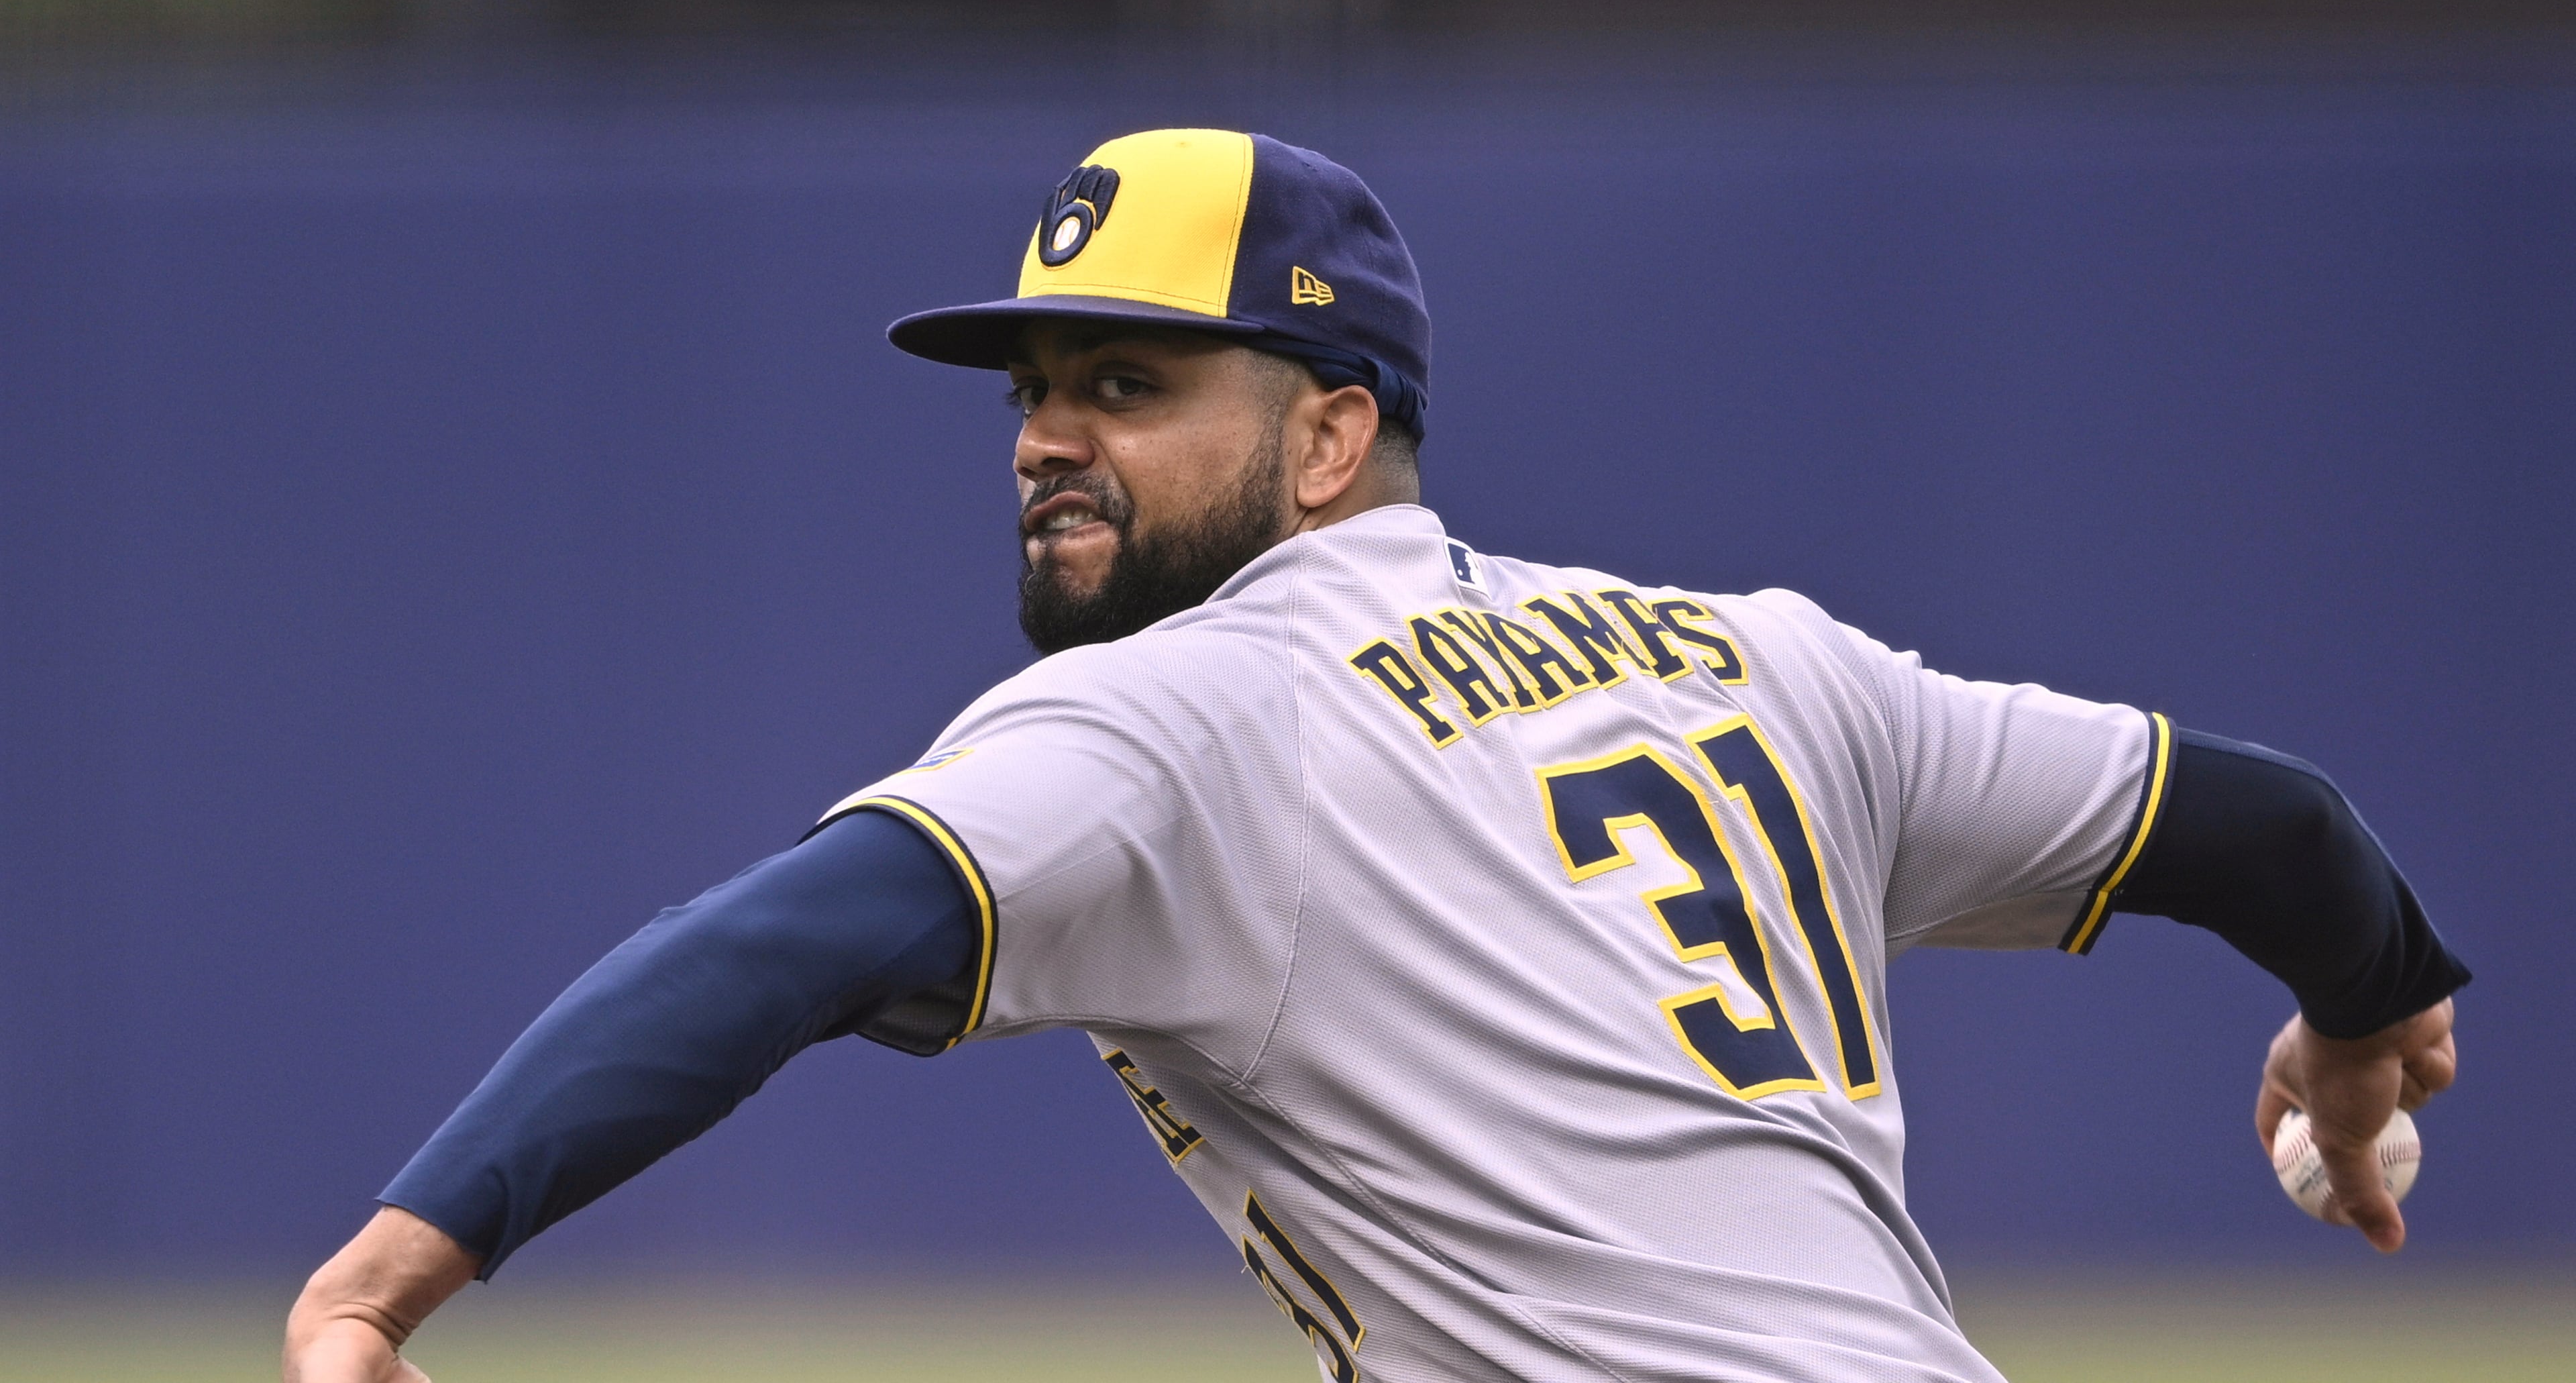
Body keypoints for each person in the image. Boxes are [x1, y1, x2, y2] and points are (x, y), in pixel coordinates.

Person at [283, 129, 2469, 1383]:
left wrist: (388, 1276)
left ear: (1332, 434)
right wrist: (2367, 1010)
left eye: (1134, 382)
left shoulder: (1185, 713)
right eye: (1037, 385)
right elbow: (2269, 824)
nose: (1052, 431)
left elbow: (763, 951)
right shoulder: (1752, 663)